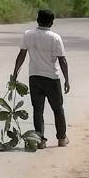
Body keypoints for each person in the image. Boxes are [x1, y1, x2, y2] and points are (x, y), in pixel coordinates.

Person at [12, 8, 70, 148]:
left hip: (35, 78)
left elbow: (21, 55)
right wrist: (67, 79)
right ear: (52, 22)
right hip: (52, 79)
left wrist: (15, 74)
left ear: (37, 20)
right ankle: (62, 138)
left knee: (38, 111)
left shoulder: (28, 34)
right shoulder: (55, 38)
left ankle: (40, 140)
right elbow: (62, 60)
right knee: (58, 109)